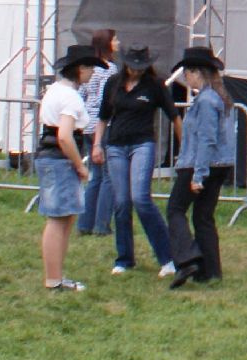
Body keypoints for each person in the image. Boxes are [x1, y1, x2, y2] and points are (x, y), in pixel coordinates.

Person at [95, 43, 179, 278]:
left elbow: (174, 116)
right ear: (126, 65)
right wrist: (96, 145)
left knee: (140, 198)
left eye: (141, 67)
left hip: (143, 143)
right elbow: (103, 117)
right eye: (133, 67)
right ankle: (124, 258)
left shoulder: (155, 85)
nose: (137, 71)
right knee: (121, 202)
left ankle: (167, 257)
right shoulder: (113, 84)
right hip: (116, 145)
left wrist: (184, 147)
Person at [165, 47, 237, 288]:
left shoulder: (206, 101)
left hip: (199, 163)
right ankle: (211, 270)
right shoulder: (221, 97)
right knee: (203, 216)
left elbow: (207, 139)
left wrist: (198, 174)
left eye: (187, 73)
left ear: (197, 72)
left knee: (175, 209)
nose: (186, 78)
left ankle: (187, 258)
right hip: (221, 164)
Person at [37, 43, 106, 292]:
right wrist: (79, 165)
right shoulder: (70, 97)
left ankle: (56, 277)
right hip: (59, 159)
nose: (91, 75)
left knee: (62, 219)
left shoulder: (55, 91)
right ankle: (54, 279)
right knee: (58, 220)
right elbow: (65, 136)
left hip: (49, 157)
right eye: (89, 69)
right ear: (80, 69)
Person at [75, 28, 118, 238]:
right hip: (104, 125)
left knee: (95, 177)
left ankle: (85, 223)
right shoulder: (110, 69)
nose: (118, 43)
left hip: (87, 125)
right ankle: (102, 225)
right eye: (115, 39)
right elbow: (106, 100)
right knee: (109, 177)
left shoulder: (89, 69)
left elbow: (81, 93)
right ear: (108, 44)